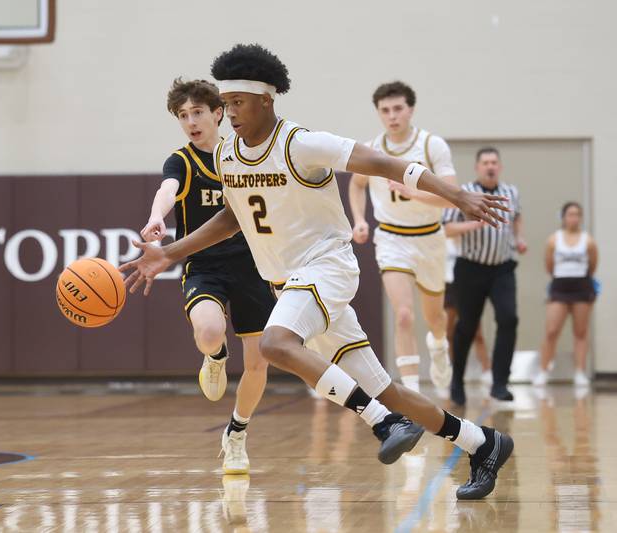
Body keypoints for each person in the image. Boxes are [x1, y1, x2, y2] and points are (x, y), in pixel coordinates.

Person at [122, 44, 514, 499]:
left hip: (327, 266)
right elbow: (232, 217)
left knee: (275, 343)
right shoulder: (227, 154)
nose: (228, 113)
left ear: (265, 101)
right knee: (384, 387)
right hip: (291, 284)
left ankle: (383, 423)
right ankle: (483, 443)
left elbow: (386, 163)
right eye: (225, 104)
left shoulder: (302, 144)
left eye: (237, 103)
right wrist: (171, 253)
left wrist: (455, 194)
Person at [139, 78, 275, 474]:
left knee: (259, 362)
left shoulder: (246, 155)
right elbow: (168, 189)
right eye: (183, 116)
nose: (190, 121)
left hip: (254, 264)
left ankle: (236, 433)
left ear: (218, 113)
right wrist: (154, 218)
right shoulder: (181, 161)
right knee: (211, 331)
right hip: (205, 265)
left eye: (197, 112)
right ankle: (214, 357)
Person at [348, 81, 453, 394]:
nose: (392, 116)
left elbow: (451, 196)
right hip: (392, 238)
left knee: (435, 318)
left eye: (398, 109)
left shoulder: (432, 145)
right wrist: (359, 219)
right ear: (379, 113)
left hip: (430, 238)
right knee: (404, 315)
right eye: (385, 110)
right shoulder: (372, 150)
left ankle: (438, 345)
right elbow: (356, 185)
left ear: (410, 110)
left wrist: (415, 192)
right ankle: (412, 394)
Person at [444, 147, 526, 406]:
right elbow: (446, 228)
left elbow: (517, 217)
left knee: (509, 318)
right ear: (477, 167)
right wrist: (473, 224)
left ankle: (500, 382)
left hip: (502, 268)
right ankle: (457, 380)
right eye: (485, 162)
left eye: (494, 162)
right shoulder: (464, 193)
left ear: (499, 166)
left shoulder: (511, 192)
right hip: (470, 267)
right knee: (466, 326)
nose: (490, 166)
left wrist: (519, 238)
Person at [533, 202, 598, 387]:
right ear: (563, 217)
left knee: (580, 331)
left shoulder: (588, 241)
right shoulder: (554, 240)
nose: (574, 218)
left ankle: (579, 372)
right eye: (570, 214)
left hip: (581, 286)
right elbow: (548, 265)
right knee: (551, 331)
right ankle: (544, 371)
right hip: (560, 286)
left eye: (577, 214)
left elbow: (593, 265)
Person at [443, 229, 492, 387]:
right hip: (446, 286)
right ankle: (451, 372)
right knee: (448, 332)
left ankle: (487, 370)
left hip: (465, 285)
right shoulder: (438, 237)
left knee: (476, 332)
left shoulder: (466, 238)